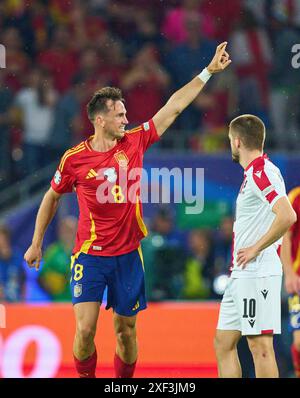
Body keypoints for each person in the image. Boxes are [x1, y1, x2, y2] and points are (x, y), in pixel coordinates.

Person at [24, 42, 231, 378]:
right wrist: (36, 243)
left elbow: (173, 108)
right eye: (119, 114)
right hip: (90, 254)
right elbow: (51, 197)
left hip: (128, 254)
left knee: (126, 332)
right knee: (86, 331)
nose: (126, 118)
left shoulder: (134, 141)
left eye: (125, 113)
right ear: (100, 119)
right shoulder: (74, 159)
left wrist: (208, 72)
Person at [214, 114, 297, 378]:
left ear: (237, 141)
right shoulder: (254, 174)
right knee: (223, 343)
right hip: (241, 273)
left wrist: (256, 248)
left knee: (260, 347)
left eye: (229, 140)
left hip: (258, 272)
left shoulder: (262, 172)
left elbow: (287, 215)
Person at [280, 186, 300, 377]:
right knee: (299, 342)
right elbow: (286, 237)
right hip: (298, 283)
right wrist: (289, 273)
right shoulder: (295, 197)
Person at [38, 216, 77, 302]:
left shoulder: (84, 252)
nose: (68, 233)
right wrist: (51, 285)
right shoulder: (52, 252)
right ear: (60, 231)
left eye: (71, 230)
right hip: (58, 302)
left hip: (80, 303)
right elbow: (41, 277)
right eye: (66, 230)